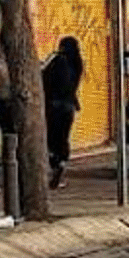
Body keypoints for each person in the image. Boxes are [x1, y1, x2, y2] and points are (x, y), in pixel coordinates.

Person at [43, 36, 84, 190]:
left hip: (54, 104)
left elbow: (45, 77)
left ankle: (54, 163)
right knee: (63, 137)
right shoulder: (77, 63)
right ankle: (61, 163)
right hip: (69, 106)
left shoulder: (57, 61)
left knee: (51, 137)